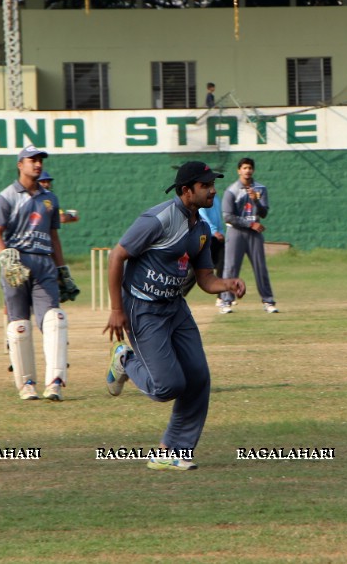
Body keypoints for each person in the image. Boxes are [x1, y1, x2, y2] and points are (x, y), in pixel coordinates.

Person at [103, 161, 246, 471]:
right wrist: (117, 309)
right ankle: (126, 360)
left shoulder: (202, 229)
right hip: (142, 310)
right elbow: (117, 256)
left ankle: (172, 451)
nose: (213, 190)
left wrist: (227, 284)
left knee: (198, 378)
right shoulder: (158, 219)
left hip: (175, 309)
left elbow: (206, 280)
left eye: (213, 184)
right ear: (186, 191)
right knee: (168, 386)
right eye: (205, 185)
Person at [0, 146, 80, 402]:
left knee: (55, 319)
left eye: (40, 160)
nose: (37, 164)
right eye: (32, 160)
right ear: (20, 164)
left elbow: (54, 235)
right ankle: (26, 384)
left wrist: (62, 269)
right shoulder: (6, 196)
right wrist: (5, 257)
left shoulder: (49, 198)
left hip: (44, 263)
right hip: (16, 263)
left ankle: (55, 382)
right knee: (19, 325)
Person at [219, 157, 277, 314]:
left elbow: (263, 213)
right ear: (239, 171)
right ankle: (226, 301)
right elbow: (228, 216)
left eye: (250, 168)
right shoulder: (231, 190)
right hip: (236, 232)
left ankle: (268, 301)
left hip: (254, 234)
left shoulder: (260, 189)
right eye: (244, 168)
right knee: (231, 268)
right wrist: (250, 224)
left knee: (260, 267)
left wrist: (255, 201)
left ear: (253, 170)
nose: (247, 170)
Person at [180, 193, 225, 303]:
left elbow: (218, 217)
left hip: (217, 237)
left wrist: (220, 232)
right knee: (196, 269)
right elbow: (203, 216)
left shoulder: (216, 198)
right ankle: (180, 293)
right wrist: (214, 231)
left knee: (222, 265)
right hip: (206, 236)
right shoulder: (201, 198)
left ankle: (221, 298)